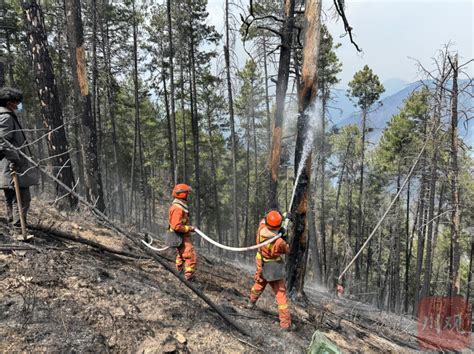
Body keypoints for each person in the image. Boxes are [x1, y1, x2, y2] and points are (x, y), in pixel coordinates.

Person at [0, 87, 39, 227]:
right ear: (10, 103)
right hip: (11, 165)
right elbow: (2, 142)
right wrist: (16, 159)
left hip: (8, 164)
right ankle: (18, 228)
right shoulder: (5, 117)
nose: (18, 105)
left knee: (12, 197)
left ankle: (14, 226)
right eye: (17, 102)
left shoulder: (6, 116)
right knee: (21, 198)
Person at [249, 210, 293, 330]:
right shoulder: (279, 242)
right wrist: (285, 235)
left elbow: (265, 219)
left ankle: (251, 302)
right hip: (273, 268)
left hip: (261, 265)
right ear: (278, 226)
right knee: (281, 294)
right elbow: (287, 249)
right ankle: (285, 324)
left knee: (258, 284)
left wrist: (283, 217)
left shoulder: (260, 229)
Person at [168, 183, 197, 280]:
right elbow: (176, 226)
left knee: (180, 256)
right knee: (190, 256)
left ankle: (179, 274)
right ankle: (189, 278)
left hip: (180, 236)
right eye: (187, 194)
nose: (188, 196)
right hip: (180, 236)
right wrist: (189, 228)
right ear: (182, 194)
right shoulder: (178, 208)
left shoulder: (180, 206)